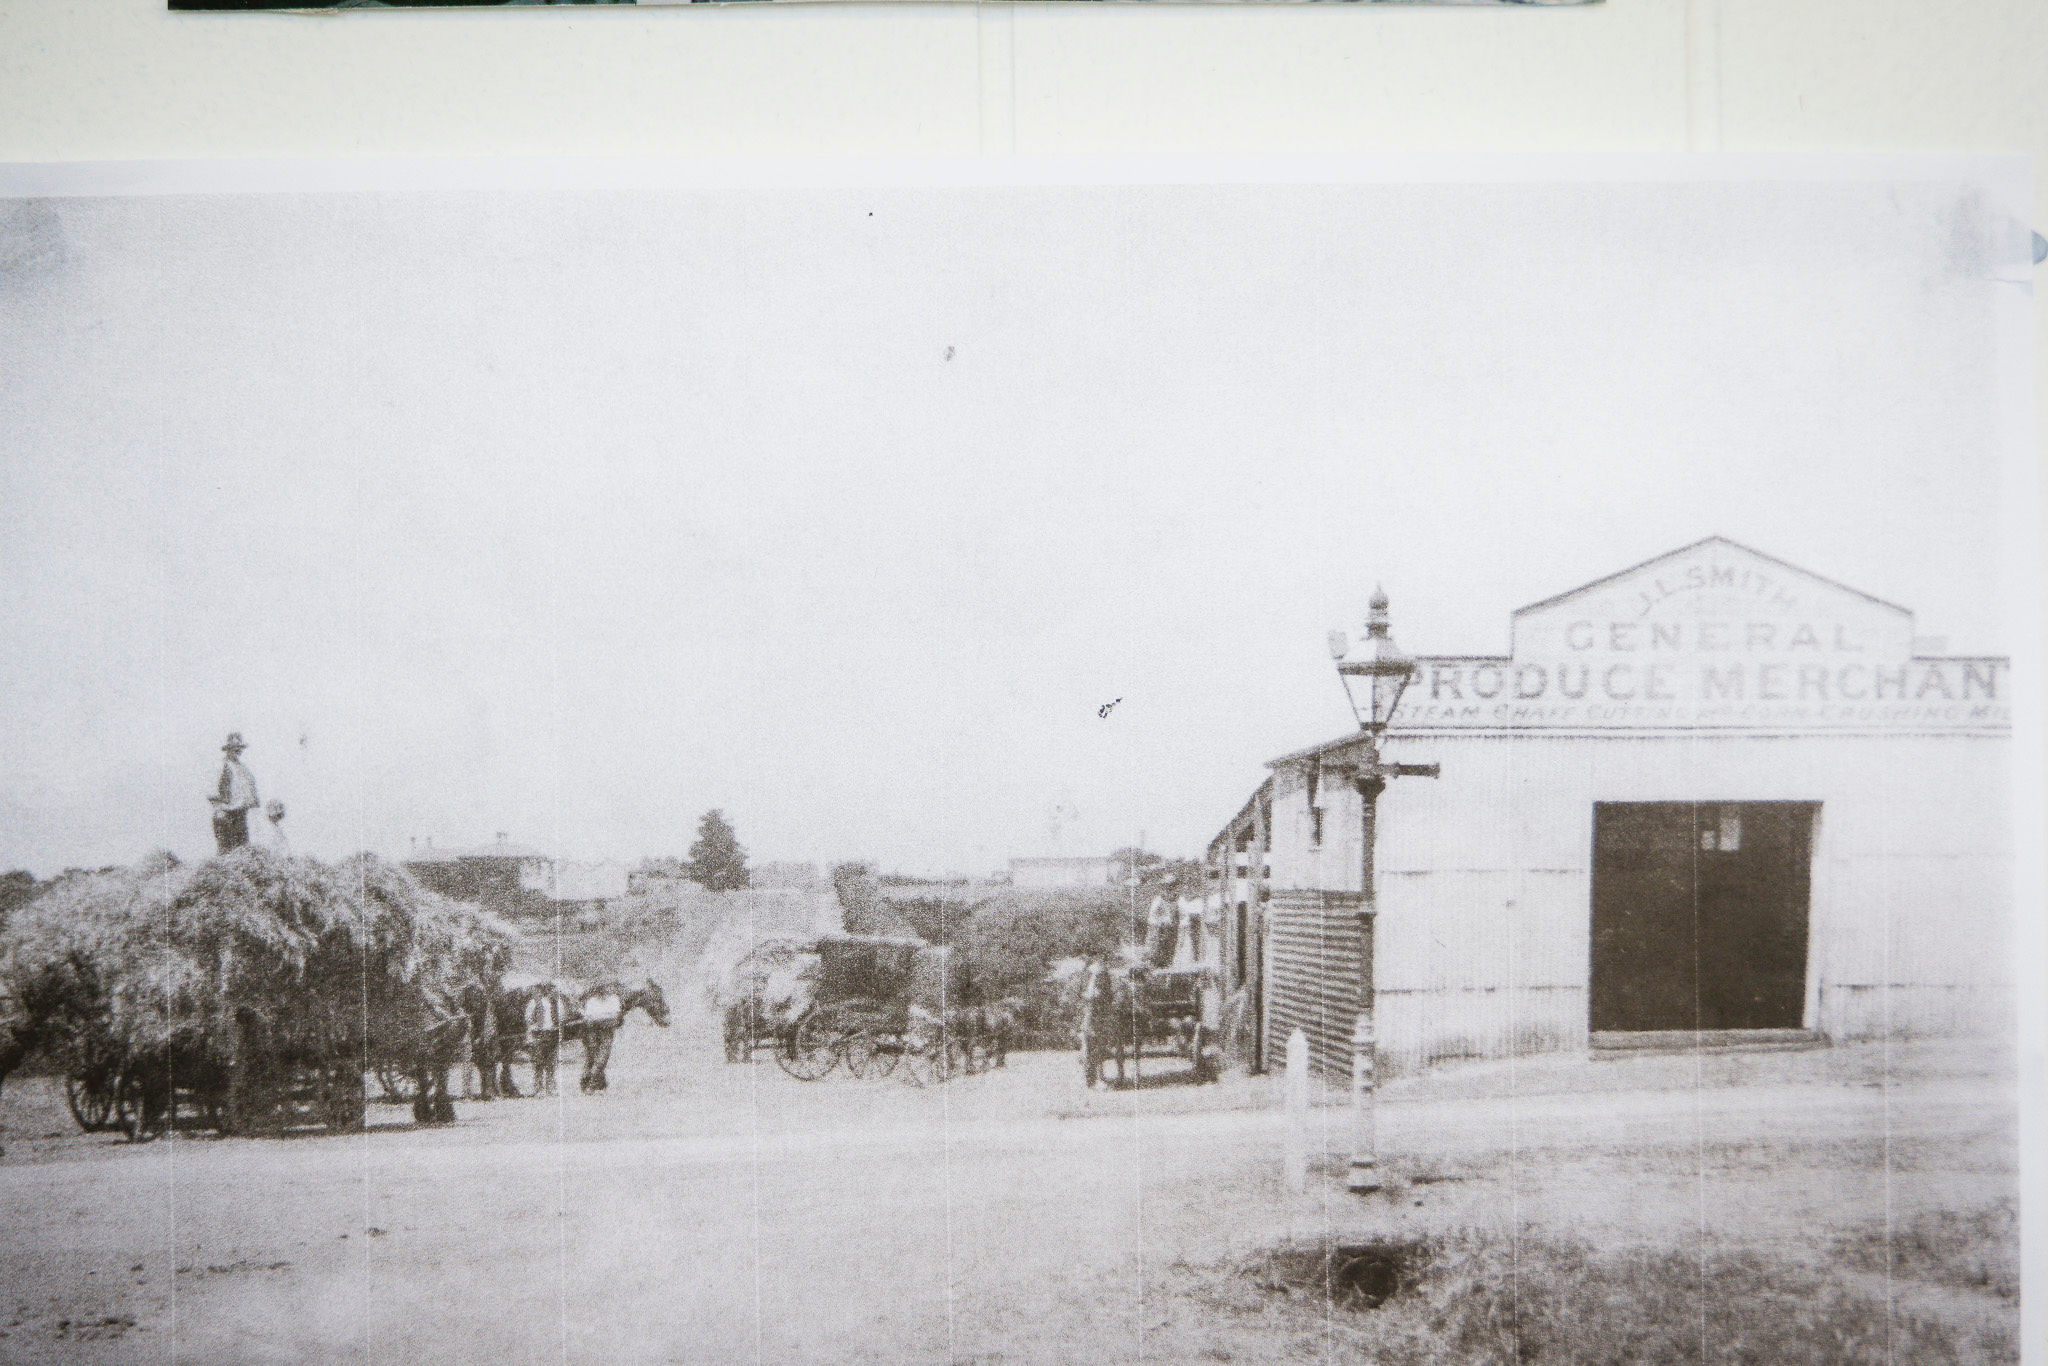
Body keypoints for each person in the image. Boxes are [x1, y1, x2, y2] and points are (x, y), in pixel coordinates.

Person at [209, 733, 260, 854]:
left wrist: (251, 802)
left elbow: (251, 793)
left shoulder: (243, 769)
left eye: (238, 748)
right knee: (227, 850)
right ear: (228, 749)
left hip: (240, 814)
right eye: (234, 748)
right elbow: (213, 792)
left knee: (241, 850)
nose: (237, 751)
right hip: (226, 814)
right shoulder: (223, 766)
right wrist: (221, 807)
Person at [578, 983, 624, 1093]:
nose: (603, 993)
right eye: (600, 991)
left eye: (605, 990)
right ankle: (594, 1083)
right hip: (592, 1032)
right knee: (592, 1056)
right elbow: (588, 1018)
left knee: (602, 1058)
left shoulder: (613, 1000)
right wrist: (604, 1017)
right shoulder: (592, 1001)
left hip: (607, 1032)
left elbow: (616, 1016)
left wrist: (599, 1018)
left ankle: (591, 1084)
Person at [524, 987, 564, 1097]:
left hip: (552, 1033)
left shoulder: (557, 1003)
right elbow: (528, 1019)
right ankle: (538, 1088)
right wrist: (531, 1034)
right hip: (538, 1033)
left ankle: (551, 1087)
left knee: (551, 1063)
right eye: (549, 990)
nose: (551, 992)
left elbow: (561, 1019)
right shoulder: (534, 1002)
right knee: (538, 1062)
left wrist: (559, 1034)